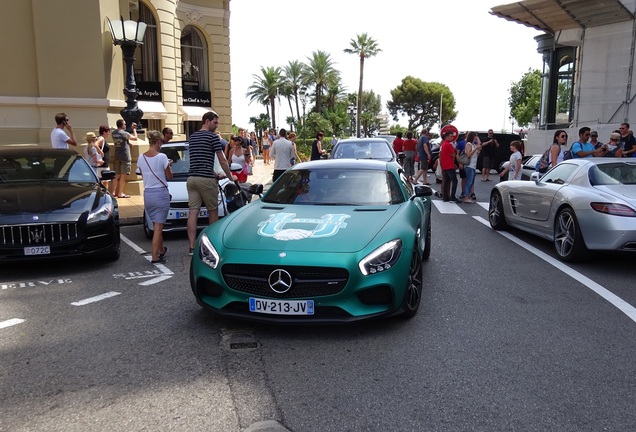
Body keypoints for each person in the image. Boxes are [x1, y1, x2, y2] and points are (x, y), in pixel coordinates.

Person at [187, 111, 237, 255]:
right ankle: (212, 246)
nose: (216, 126)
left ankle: (191, 246)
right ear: (207, 121)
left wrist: (214, 173)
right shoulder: (212, 137)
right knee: (213, 211)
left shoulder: (193, 137)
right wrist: (230, 176)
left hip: (192, 178)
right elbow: (222, 160)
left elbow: (199, 159)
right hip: (206, 180)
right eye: (215, 123)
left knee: (193, 212)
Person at [136, 130, 173, 264]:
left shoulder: (141, 157)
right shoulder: (162, 157)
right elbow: (169, 176)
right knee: (158, 227)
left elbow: (142, 173)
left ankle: (161, 249)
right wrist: (169, 165)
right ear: (158, 142)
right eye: (161, 143)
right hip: (160, 193)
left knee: (157, 224)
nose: (161, 145)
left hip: (148, 194)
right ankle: (155, 256)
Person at [110, 119, 138, 198]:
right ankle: (120, 193)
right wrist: (134, 129)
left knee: (116, 175)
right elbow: (135, 138)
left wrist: (128, 143)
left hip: (117, 155)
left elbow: (121, 141)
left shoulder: (113, 133)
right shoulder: (125, 133)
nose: (125, 125)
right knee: (123, 175)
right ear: (122, 125)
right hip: (125, 156)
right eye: (124, 124)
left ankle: (112, 192)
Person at [439, 130, 461, 203]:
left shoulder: (443, 145)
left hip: (444, 165)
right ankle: (452, 196)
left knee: (446, 181)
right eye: (450, 136)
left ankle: (446, 196)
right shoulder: (448, 144)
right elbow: (453, 154)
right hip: (449, 165)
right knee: (454, 180)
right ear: (446, 137)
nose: (452, 138)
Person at [461, 132, 481, 203]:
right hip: (469, 166)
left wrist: (477, 150)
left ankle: (467, 195)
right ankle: (466, 197)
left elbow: (479, 145)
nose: (476, 137)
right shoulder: (469, 144)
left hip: (473, 166)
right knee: (469, 182)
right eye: (475, 136)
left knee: (471, 182)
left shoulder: (473, 145)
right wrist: (475, 149)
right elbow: (468, 154)